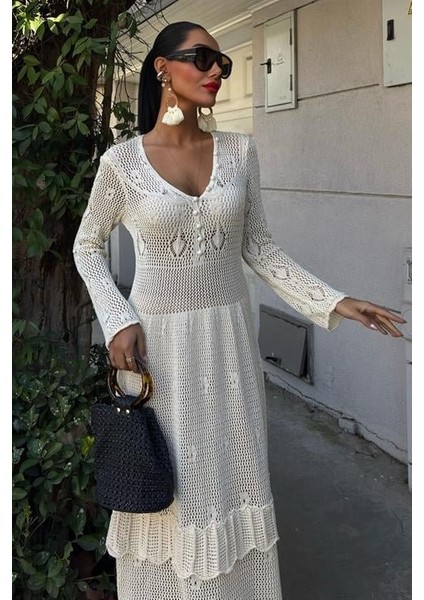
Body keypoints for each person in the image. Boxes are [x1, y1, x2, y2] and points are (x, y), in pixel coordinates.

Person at [73, 20, 406, 600]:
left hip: (228, 347)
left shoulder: (239, 152)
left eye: (222, 63)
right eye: (201, 58)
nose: (216, 72)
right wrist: (117, 317)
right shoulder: (121, 164)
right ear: (162, 68)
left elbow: (260, 250)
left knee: (230, 479)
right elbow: (86, 245)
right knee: (169, 486)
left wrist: (333, 300)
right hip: (158, 351)